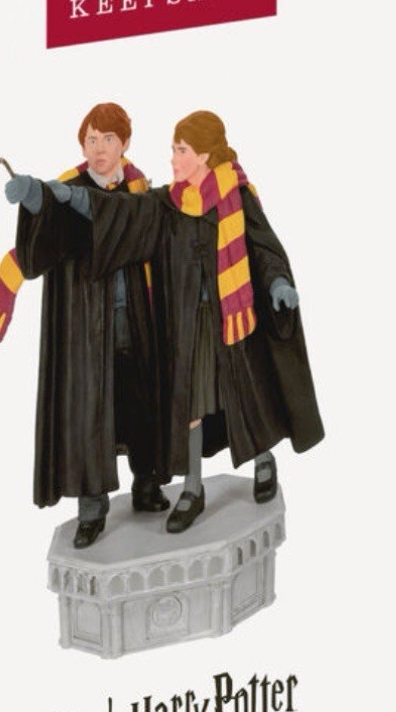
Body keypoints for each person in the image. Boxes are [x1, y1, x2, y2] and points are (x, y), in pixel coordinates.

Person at [54, 109, 323, 533]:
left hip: (235, 323)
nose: (173, 159)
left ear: (204, 155)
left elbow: (264, 248)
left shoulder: (237, 197)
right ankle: (193, 489)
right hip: (189, 324)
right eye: (173, 149)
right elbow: (125, 212)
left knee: (244, 396)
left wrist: (278, 284)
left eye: (181, 150)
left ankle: (264, 460)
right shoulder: (169, 203)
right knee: (192, 406)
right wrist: (75, 199)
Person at [0, 103, 169, 547]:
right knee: (88, 412)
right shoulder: (66, 191)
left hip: (135, 318)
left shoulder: (139, 188)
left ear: (124, 143)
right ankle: (92, 511)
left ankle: (147, 485)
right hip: (86, 329)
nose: (99, 149)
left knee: (141, 404)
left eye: (108, 139)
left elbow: (137, 222)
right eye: (91, 140)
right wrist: (37, 203)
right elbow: (42, 251)